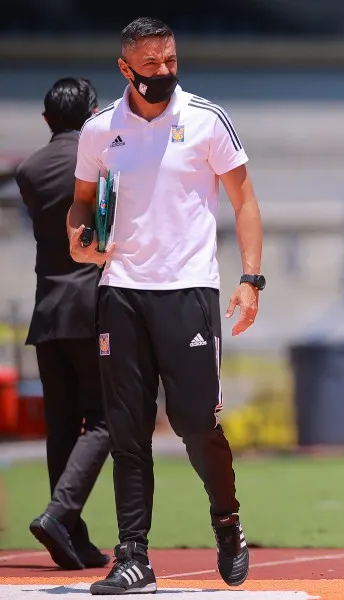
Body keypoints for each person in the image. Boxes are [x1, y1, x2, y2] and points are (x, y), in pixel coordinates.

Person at [66, 17, 265, 595]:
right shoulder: (100, 130)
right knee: (127, 429)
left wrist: (251, 278)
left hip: (189, 290)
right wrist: (78, 238)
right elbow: (80, 207)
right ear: (125, 68)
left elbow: (245, 200)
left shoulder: (207, 119)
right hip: (120, 289)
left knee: (196, 424)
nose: (163, 73)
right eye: (150, 65)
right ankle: (133, 556)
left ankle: (226, 523)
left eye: (170, 61)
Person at [15, 77, 111, 571]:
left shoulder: (29, 169)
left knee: (61, 428)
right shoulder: (101, 157)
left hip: (48, 311)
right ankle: (59, 514)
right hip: (93, 307)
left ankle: (73, 536)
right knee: (106, 418)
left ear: (47, 120)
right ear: (94, 113)